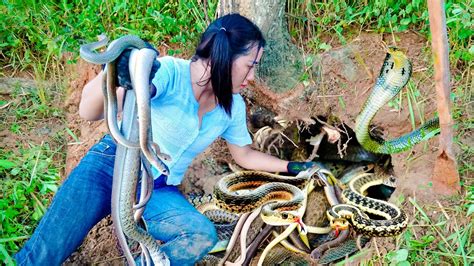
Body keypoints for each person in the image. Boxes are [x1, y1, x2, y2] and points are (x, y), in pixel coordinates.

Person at [14, 13, 316, 265]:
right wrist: (116, 72)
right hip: (109, 167)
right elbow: (87, 110)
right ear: (225, 56)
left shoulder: (231, 106)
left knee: (199, 234)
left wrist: (294, 167)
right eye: (251, 65)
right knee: (43, 256)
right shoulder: (168, 71)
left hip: (156, 187)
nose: (252, 77)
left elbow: (245, 155)